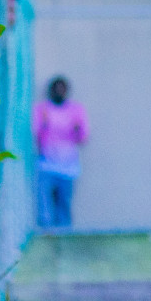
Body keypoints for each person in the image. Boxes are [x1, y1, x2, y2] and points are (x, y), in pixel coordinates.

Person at [34, 76, 88, 229]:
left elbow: (83, 137)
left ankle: (64, 233)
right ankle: (45, 233)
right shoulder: (42, 109)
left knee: (63, 204)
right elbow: (36, 133)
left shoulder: (76, 110)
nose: (59, 91)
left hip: (68, 166)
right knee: (44, 207)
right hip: (46, 165)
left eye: (62, 88)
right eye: (56, 88)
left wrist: (77, 130)